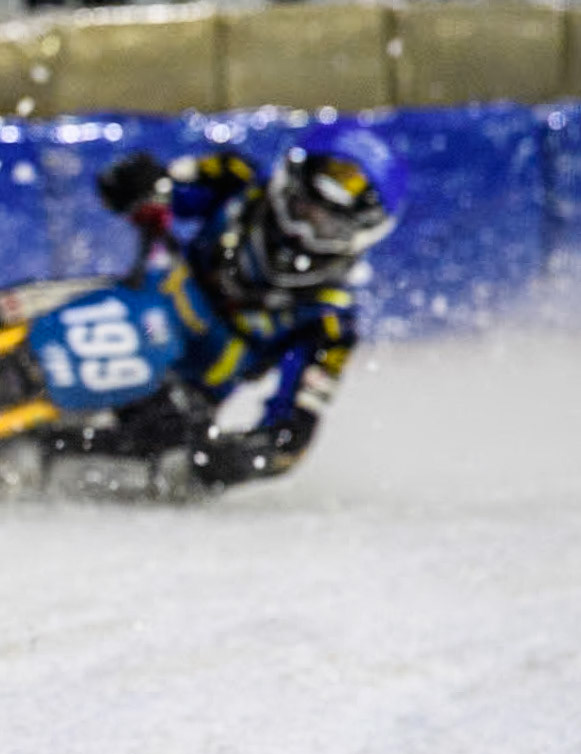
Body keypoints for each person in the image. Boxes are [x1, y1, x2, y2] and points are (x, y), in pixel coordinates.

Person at [90, 120, 408, 485]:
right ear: (288, 185)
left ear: (357, 236)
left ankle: (38, 459)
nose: (303, 234)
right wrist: (135, 182)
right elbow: (147, 190)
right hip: (126, 307)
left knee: (167, 453)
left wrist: (241, 457)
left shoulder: (329, 324)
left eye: (327, 228)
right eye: (304, 210)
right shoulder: (236, 180)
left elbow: (291, 433)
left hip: (173, 393)